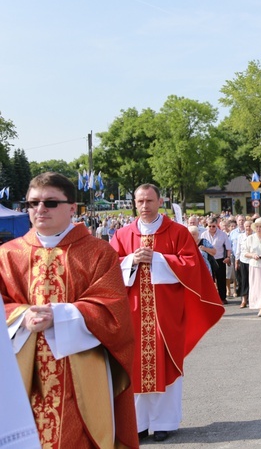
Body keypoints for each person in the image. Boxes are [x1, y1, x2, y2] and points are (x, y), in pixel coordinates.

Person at [1, 172, 138, 448]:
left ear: (72, 208)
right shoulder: (7, 254)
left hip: (81, 372)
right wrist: (20, 315)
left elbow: (112, 307)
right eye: (32, 203)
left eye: (50, 203)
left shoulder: (98, 252)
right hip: (21, 373)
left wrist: (60, 316)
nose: (39, 209)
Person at [110, 183, 224, 442]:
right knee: (134, 365)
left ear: (160, 201)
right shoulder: (123, 234)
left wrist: (158, 258)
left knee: (166, 362)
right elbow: (109, 265)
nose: (144, 206)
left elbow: (192, 264)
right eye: (140, 201)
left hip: (166, 312)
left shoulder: (177, 232)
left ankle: (165, 422)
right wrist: (130, 261)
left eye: (149, 200)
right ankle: (137, 423)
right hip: (134, 312)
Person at [1, 293, 41, 449]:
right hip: (15, 362)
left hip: (76, 367)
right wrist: (21, 315)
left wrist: (62, 315)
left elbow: (109, 299)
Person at [201, 216, 232, 304]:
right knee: (210, 279)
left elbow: (228, 248)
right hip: (208, 259)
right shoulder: (204, 235)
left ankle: (222, 297)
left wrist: (228, 257)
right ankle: (210, 298)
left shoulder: (223, 234)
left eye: (213, 226)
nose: (211, 228)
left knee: (221, 279)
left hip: (220, 259)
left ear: (217, 225)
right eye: (209, 226)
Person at [235, 220, 254, 308]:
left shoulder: (255, 236)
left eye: (250, 226)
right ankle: (244, 300)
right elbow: (238, 250)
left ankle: (253, 299)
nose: (248, 228)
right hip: (243, 261)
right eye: (246, 226)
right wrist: (236, 261)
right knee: (244, 280)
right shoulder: (240, 237)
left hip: (253, 261)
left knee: (253, 281)